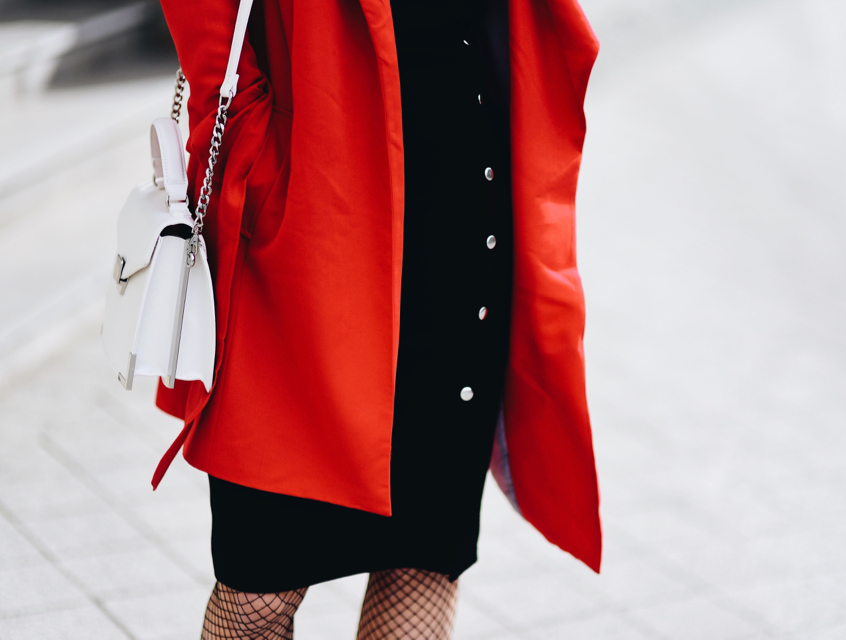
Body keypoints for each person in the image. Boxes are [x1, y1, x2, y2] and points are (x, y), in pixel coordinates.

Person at [153, 0, 601, 637]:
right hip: (311, 198)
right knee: (259, 589)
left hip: (459, 190)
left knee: (420, 558)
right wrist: (255, 146)